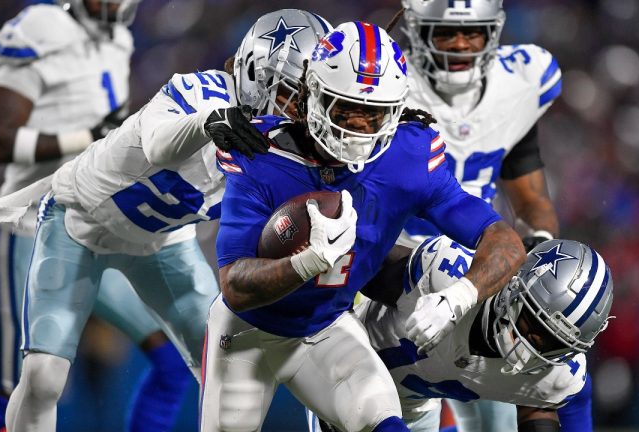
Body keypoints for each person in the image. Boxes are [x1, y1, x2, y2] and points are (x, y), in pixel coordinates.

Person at [0, 8, 331, 432]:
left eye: (313, 100)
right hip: (79, 223)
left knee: (228, 365)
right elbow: (158, 147)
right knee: (44, 375)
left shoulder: (287, 152)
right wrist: (208, 123)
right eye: (292, 96)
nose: (301, 113)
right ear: (255, 75)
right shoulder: (201, 91)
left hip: (162, 244)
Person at [201, 21, 525, 432]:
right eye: (347, 108)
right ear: (311, 97)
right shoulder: (261, 154)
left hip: (326, 327)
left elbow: (503, 239)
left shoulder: (408, 156)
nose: (359, 126)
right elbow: (235, 285)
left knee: (385, 423)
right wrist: (307, 262)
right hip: (246, 333)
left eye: (374, 115)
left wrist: (461, 295)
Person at [0, 1, 194, 431]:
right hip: (27, 227)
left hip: (89, 227)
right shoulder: (42, 26)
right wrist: (87, 136)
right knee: (7, 398)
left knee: (175, 358)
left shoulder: (118, 38)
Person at [395, 0, 575, 429]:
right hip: (387, 268)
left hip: (476, 273)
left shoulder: (517, 87)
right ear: (417, 31)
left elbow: (531, 201)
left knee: (522, 402)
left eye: (472, 33)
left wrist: (539, 245)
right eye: (445, 32)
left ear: (493, 33)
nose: (459, 44)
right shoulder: (388, 82)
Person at [332, 236, 613, 432]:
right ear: (515, 286)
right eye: (532, 324)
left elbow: (545, 399)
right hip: (343, 365)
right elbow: (359, 260)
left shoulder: (557, 375)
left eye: (552, 343)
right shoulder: (447, 275)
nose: (532, 347)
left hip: (412, 411)